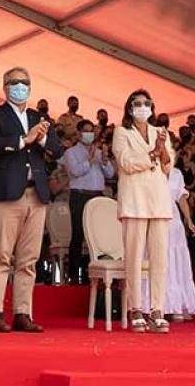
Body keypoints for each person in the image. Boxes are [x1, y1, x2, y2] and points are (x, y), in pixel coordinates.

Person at [0, 66, 58, 333]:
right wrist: (25, 139)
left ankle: (23, 312)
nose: (20, 86)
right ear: (5, 87)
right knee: (0, 255)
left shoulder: (39, 117)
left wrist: (42, 137)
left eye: (25, 82)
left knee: (29, 258)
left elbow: (57, 149)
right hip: (5, 194)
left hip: (36, 194)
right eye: (14, 82)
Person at [114, 90, 173, 333]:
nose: (142, 107)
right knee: (135, 257)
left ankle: (157, 308)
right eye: (137, 103)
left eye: (146, 103)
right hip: (134, 200)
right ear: (129, 108)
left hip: (158, 199)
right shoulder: (121, 132)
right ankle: (135, 307)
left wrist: (161, 147)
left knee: (160, 259)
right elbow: (126, 162)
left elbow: (168, 165)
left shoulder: (161, 131)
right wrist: (152, 154)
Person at [61, 119, 115, 283]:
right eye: (86, 131)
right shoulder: (71, 153)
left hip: (97, 195)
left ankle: (94, 275)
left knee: (98, 236)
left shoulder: (99, 152)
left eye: (92, 131)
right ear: (78, 134)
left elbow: (111, 174)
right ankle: (73, 276)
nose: (89, 134)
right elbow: (76, 172)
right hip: (80, 195)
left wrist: (104, 161)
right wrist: (90, 160)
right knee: (78, 234)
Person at [151, 165, 195, 321]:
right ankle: (157, 305)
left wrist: (189, 219)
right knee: (159, 259)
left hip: (174, 221)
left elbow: (181, 198)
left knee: (176, 261)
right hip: (155, 215)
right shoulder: (149, 169)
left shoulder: (177, 173)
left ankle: (177, 304)